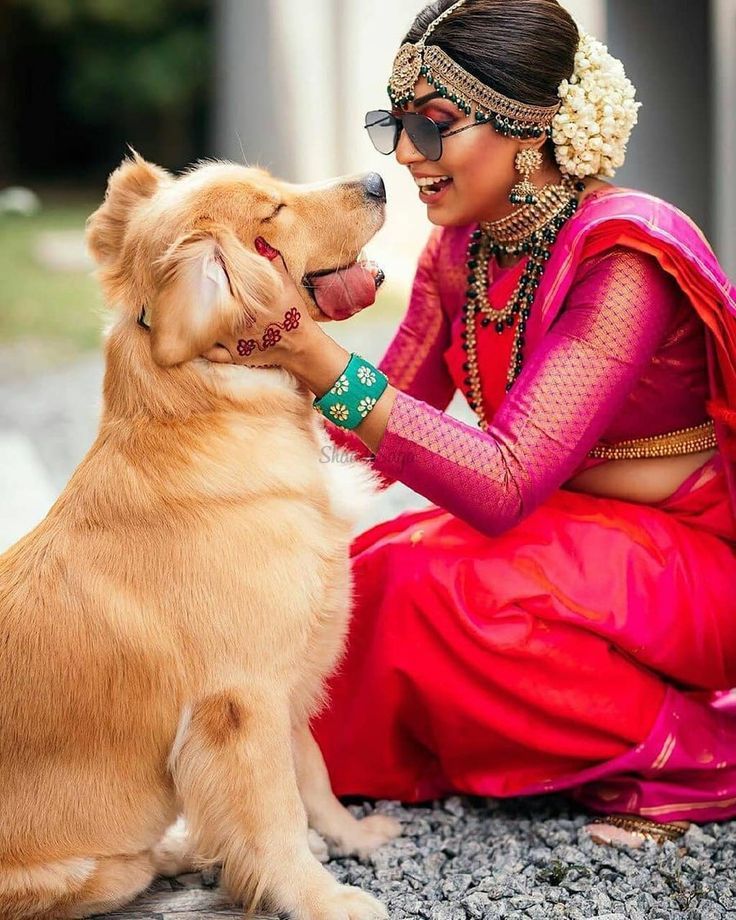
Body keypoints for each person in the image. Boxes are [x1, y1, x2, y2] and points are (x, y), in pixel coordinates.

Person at [215, 0, 736, 847]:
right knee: (366, 578)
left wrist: (316, 358)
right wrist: (264, 345)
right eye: (398, 123)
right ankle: (248, 783)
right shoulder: (463, 253)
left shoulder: (625, 258)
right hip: (573, 538)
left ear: (529, 129)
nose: (408, 155)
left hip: (698, 561)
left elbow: (501, 483)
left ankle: (699, 753)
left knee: (446, 590)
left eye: (437, 123)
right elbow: (365, 437)